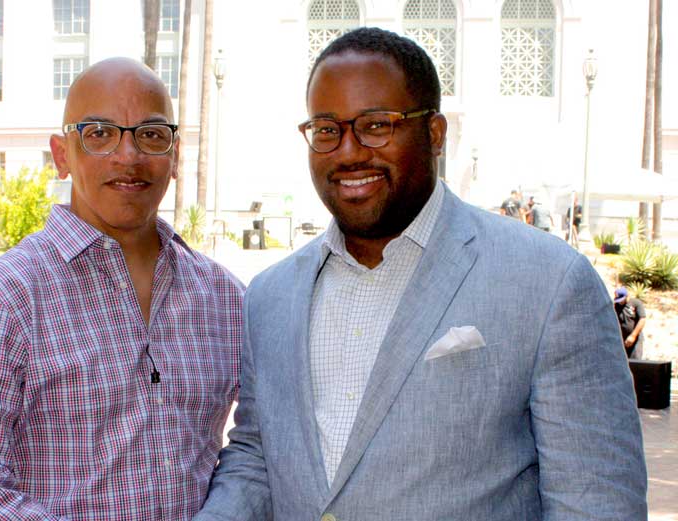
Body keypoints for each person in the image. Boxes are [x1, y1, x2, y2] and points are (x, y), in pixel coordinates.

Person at [195, 28, 646, 520]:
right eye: (327, 129)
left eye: (375, 125)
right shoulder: (269, 295)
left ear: (434, 134)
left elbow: (596, 502)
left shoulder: (550, 283)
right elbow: (258, 460)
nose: (348, 152)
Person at [0, 58, 243, 520]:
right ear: (61, 154)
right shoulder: (7, 298)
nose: (128, 156)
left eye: (151, 135)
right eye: (99, 133)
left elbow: (256, 445)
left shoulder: (224, 299)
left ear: (175, 156)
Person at [614, 287, 647, 359]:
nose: (620, 302)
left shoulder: (636, 303)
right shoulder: (616, 306)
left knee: (635, 362)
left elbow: (642, 319)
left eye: (621, 300)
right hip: (622, 340)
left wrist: (633, 336)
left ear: (626, 296)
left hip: (635, 339)